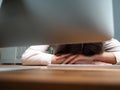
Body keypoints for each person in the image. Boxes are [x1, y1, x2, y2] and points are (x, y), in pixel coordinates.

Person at [21, 38, 120, 65]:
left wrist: (94, 56)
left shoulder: (100, 34)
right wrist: (71, 59)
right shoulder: (53, 30)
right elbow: (27, 56)